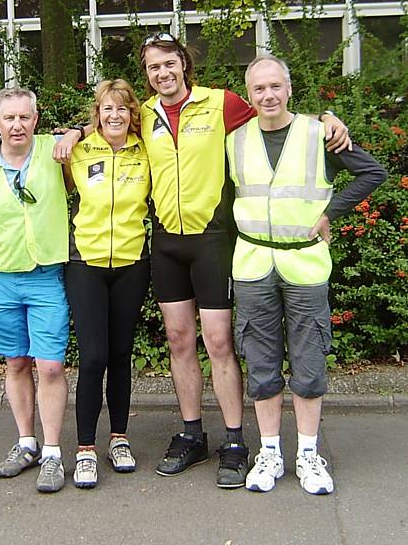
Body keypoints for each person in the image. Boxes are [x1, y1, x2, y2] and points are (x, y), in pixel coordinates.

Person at [53, 33, 349, 489]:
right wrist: (75, 131)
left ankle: (235, 440)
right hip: (167, 242)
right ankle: (192, 433)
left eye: (169, 64)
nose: (162, 73)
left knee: (218, 342)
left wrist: (327, 119)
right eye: (153, 67)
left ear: (184, 65)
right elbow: (105, 126)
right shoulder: (144, 115)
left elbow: (277, 117)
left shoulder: (222, 103)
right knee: (178, 339)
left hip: (213, 238)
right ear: (147, 74)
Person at [226, 55, 387, 495]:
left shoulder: (320, 134)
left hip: (306, 265)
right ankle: (271, 452)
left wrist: (329, 213)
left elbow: (373, 172)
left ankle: (309, 454)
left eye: (276, 86)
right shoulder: (234, 140)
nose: (268, 95)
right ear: (249, 95)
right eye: (259, 89)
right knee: (260, 361)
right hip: (253, 265)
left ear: (290, 90)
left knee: (309, 359)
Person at [0, 87, 70, 494]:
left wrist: (73, 133)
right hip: (0, 279)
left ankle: (54, 453)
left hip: (45, 277)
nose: (17, 125)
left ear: (35, 120)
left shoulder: (55, 150)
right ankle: (27, 444)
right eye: (9, 118)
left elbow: (107, 125)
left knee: (51, 365)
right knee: (17, 363)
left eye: (25, 117)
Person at [64, 80, 150, 490]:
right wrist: (72, 132)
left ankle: (119, 438)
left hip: (132, 263)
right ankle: (84, 449)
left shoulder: (148, 150)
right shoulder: (77, 150)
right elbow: (32, 149)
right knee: (93, 356)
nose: (114, 116)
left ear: (133, 113)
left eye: (122, 108)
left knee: (120, 353)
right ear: (96, 113)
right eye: (106, 109)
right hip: (86, 264)